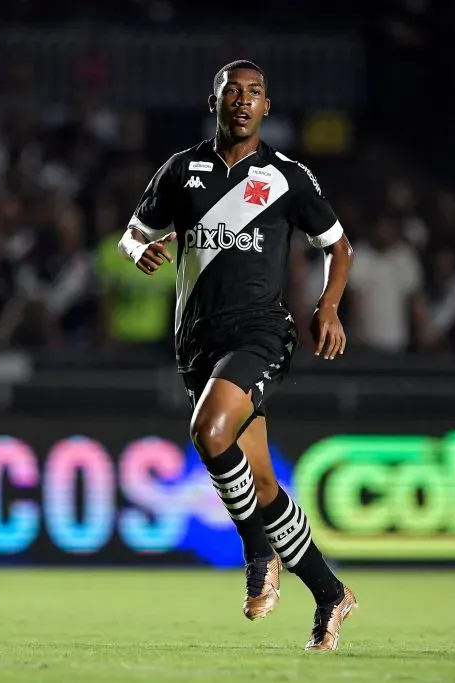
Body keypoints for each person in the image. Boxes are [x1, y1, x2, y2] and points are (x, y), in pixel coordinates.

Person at [117, 60, 357, 651]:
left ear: (266, 107)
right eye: (233, 92)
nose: (243, 101)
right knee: (264, 485)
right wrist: (138, 251)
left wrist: (328, 307)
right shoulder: (182, 170)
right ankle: (330, 594)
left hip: (260, 334)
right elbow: (132, 234)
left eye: (254, 93)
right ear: (215, 102)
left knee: (209, 431)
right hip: (198, 342)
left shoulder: (285, 177)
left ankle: (256, 553)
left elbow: (338, 246)